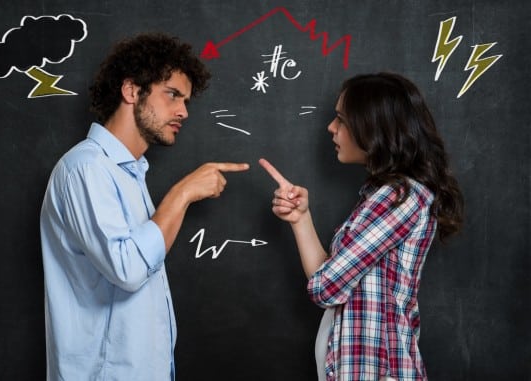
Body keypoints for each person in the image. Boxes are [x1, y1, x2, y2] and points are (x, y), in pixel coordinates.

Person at [40, 33, 249, 380]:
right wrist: (182, 193)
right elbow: (128, 269)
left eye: (185, 100)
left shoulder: (129, 174)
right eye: (172, 95)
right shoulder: (86, 168)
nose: (183, 111)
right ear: (131, 91)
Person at [259, 72, 463, 381]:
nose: (331, 128)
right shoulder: (381, 196)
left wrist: (328, 279)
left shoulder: (399, 197)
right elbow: (332, 279)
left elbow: (327, 287)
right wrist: (301, 219)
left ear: (373, 127)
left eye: (341, 119)